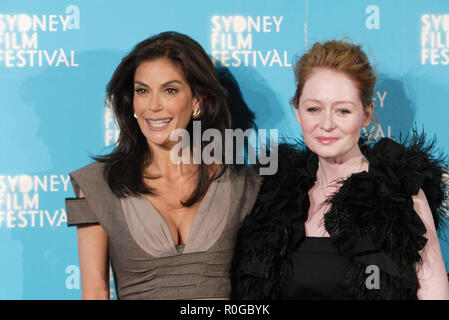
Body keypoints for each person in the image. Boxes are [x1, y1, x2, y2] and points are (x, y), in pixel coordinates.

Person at [231, 40, 449, 300]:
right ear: (298, 112)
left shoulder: (401, 195)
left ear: (366, 115)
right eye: (314, 109)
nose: (327, 124)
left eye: (343, 110)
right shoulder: (272, 196)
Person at [65, 31, 261, 300]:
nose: (153, 106)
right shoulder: (98, 185)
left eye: (169, 90)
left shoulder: (243, 185)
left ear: (197, 100)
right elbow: (95, 292)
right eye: (142, 91)